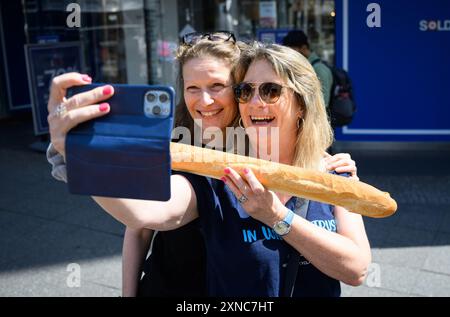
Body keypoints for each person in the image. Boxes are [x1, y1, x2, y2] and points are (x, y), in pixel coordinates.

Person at [46, 39, 367, 296]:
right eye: (247, 91)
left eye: (270, 91)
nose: (255, 101)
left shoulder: (331, 171)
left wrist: (280, 213)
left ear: (301, 103)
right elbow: (141, 216)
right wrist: (76, 152)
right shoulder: (206, 168)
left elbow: (356, 269)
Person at [282, 30, 333, 108]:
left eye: (292, 51)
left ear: (304, 48)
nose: (290, 55)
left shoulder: (319, 70)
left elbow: (323, 105)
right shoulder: (302, 68)